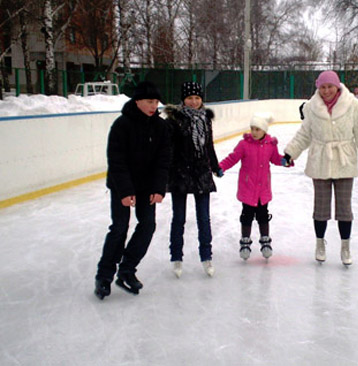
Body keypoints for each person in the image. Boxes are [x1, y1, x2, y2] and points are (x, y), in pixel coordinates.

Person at [283, 71, 358, 266]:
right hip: (320, 160)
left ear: (337, 86)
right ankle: (320, 243)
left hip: (344, 161)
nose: (326, 91)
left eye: (330, 86)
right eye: (322, 87)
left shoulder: (353, 105)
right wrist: (290, 153)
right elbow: (304, 134)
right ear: (318, 87)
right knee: (320, 208)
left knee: (344, 209)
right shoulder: (312, 107)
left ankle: (345, 247)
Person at [94, 81, 170, 300]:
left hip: (148, 188)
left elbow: (163, 160)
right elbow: (116, 161)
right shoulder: (122, 125)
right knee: (119, 227)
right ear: (137, 101)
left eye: (156, 102)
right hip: (122, 186)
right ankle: (104, 275)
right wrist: (126, 191)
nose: (153, 106)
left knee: (148, 226)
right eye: (149, 101)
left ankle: (127, 270)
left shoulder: (161, 127)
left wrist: (159, 188)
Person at [162, 82, 222, 278]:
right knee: (179, 218)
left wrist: (215, 166)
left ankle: (206, 256)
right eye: (190, 98)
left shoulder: (205, 119)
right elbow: (168, 150)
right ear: (183, 99)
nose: (194, 102)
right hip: (180, 173)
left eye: (197, 98)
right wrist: (165, 173)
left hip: (201, 173)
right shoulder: (174, 120)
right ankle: (176, 257)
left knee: (204, 218)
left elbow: (208, 146)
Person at [218, 113, 291, 261]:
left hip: (263, 189)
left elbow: (275, 158)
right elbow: (233, 158)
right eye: (253, 129)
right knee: (247, 216)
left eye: (258, 129)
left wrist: (285, 161)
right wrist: (221, 167)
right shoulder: (244, 145)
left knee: (263, 215)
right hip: (248, 189)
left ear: (264, 130)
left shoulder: (270, 145)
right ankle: (245, 241)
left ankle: (265, 241)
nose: (255, 132)